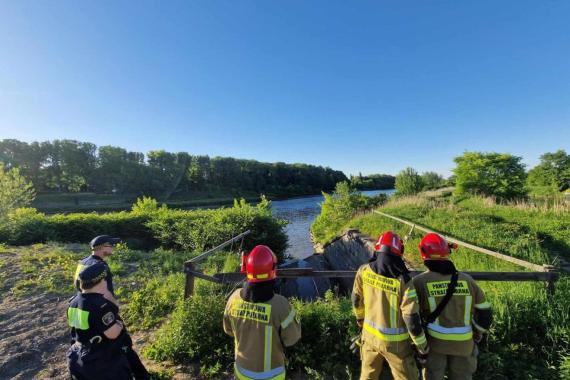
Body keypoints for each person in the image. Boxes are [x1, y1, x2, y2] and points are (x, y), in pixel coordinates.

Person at [413, 233, 493, 380]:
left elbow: (411, 316)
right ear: (447, 252)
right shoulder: (467, 280)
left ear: (423, 253)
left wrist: (419, 345)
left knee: (433, 376)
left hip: (434, 345)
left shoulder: (419, 282)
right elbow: (485, 312)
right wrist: (478, 332)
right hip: (464, 344)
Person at [352, 231, 428, 380]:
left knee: (367, 376)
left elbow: (356, 299)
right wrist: (422, 346)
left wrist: (360, 319)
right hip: (396, 346)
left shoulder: (364, 271)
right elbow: (411, 319)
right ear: (398, 253)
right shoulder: (403, 281)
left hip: (369, 337)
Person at [73, 235, 149, 379]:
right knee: (122, 343)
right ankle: (139, 375)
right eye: (111, 245)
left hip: (83, 307)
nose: (113, 248)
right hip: (100, 308)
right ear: (102, 248)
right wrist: (115, 309)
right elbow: (105, 291)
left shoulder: (83, 262)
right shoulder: (100, 267)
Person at [223, 245, 301, 380]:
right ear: (272, 270)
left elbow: (228, 330)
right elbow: (292, 339)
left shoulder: (233, 299)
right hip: (272, 375)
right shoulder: (281, 305)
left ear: (247, 269)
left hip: (241, 371)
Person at [67, 262, 132, 379]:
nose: (106, 282)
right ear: (99, 283)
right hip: (100, 360)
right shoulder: (101, 305)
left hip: (77, 355)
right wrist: (119, 324)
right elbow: (112, 334)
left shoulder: (73, 302)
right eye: (104, 280)